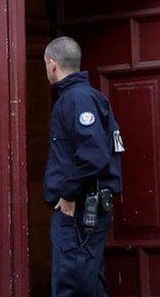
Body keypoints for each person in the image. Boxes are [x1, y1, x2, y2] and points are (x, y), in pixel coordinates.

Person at [42, 36, 124, 296]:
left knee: (72, 286)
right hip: (86, 210)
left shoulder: (76, 99)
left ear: (52, 64)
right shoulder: (87, 97)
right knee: (89, 286)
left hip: (78, 213)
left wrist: (68, 192)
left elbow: (94, 155)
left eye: (46, 64)